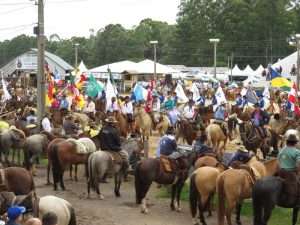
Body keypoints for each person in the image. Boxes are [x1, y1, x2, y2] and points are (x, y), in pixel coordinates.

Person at [278, 132, 300, 207]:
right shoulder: (297, 152)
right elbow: (298, 165)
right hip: (290, 173)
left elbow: (279, 161)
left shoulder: (282, 150)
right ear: (295, 143)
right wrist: (298, 172)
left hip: (281, 172)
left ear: (287, 142)